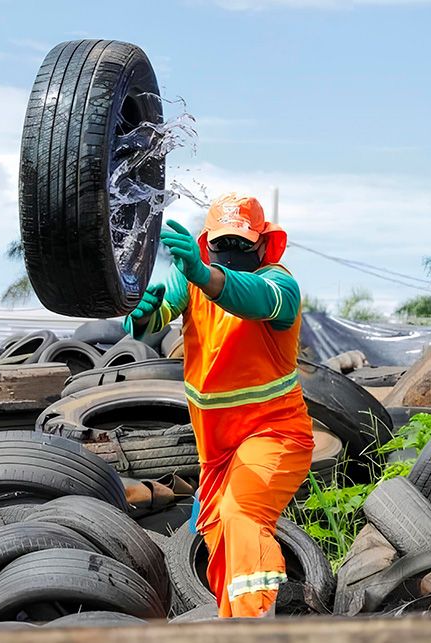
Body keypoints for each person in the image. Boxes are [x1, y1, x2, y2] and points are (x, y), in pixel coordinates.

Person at [124, 192, 314, 618]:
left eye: (243, 244)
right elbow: (159, 314)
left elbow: (251, 299)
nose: (232, 253)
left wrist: (203, 273)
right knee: (216, 534)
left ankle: (254, 622)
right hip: (217, 453)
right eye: (223, 244)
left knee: (242, 514)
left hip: (275, 436)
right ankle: (233, 620)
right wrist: (140, 315)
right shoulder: (190, 281)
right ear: (207, 242)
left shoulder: (279, 285)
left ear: (265, 245)